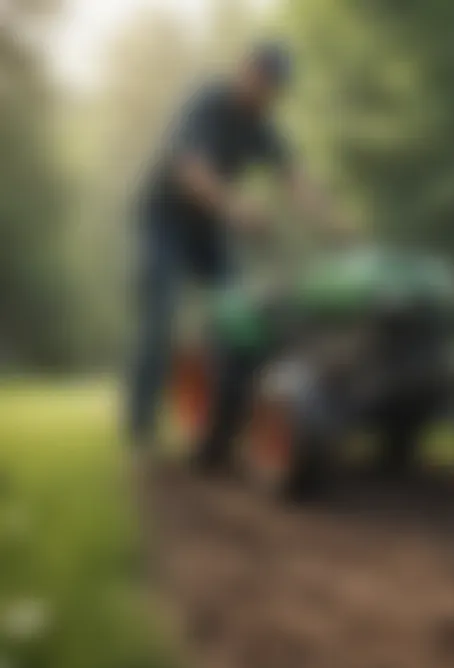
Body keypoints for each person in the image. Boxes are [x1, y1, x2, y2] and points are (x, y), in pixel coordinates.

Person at [128, 40, 344, 474]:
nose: (270, 95)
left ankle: (243, 418)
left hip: (209, 230)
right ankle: (142, 431)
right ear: (245, 71)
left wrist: (335, 225)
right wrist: (235, 206)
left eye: (278, 89)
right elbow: (188, 170)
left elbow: (296, 180)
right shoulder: (206, 102)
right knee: (161, 311)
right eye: (266, 82)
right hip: (165, 220)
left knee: (242, 315)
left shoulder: (261, 125)